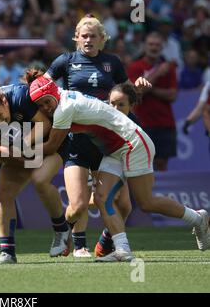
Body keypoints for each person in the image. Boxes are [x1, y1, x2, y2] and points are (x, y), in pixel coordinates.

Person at [27, 76, 210, 262]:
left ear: (53, 93)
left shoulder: (64, 109)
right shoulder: (64, 96)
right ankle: (122, 250)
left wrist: (18, 148)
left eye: (46, 101)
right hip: (115, 150)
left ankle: (198, 219)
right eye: (40, 105)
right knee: (101, 197)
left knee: (146, 202)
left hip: (133, 145)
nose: (45, 107)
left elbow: (51, 147)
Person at [42, 15, 150, 257]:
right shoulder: (65, 61)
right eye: (84, 35)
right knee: (77, 207)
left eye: (93, 36)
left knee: (124, 205)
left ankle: (106, 241)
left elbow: (128, 94)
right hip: (77, 140)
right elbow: (41, 90)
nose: (88, 40)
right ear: (76, 38)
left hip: (108, 142)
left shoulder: (113, 62)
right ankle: (72, 238)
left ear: (103, 39)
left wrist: (138, 86)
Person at [0, 69, 70, 265]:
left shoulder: (19, 96)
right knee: (3, 194)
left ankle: (61, 228)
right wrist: (6, 152)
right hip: (25, 147)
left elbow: (44, 125)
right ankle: (7, 253)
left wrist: (19, 148)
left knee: (40, 180)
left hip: (52, 143)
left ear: (4, 101)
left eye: (0, 116)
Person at [93, 83, 140, 257]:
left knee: (125, 206)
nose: (115, 108)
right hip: (91, 161)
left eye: (121, 105)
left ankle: (106, 241)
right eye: (112, 103)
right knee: (82, 202)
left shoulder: (134, 125)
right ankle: (75, 241)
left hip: (115, 161)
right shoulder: (98, 116)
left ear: (131, 106)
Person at [127, 32, 178, 171]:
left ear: (162, 47)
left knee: (162, 165)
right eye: (150, 44)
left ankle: (159, 193)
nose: (154, 47)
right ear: (144, 46)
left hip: (165, 123)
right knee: (144, 165)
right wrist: (157, 74)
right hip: (143, 123)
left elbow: (172, 95)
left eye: (157, 45)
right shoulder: (135, 67)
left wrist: (150, 89)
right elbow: (137, 92)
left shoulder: (169, 68)